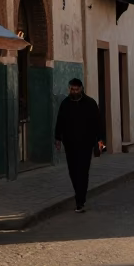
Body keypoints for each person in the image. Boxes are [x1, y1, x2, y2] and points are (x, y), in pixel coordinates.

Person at [54, 78, 105, 212]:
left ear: (81, 89)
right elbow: (60, 121)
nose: (74, 91)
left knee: (83, 171)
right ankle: (79, 193)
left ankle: (80, 200)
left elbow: (98, 123)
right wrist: (57, 138)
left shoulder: (90, 103)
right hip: (70, 143)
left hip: (86, 143)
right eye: (72, 89)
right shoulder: (65, 104)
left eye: (76, 89)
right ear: (69, 89)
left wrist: (100, 140)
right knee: (73, 171)